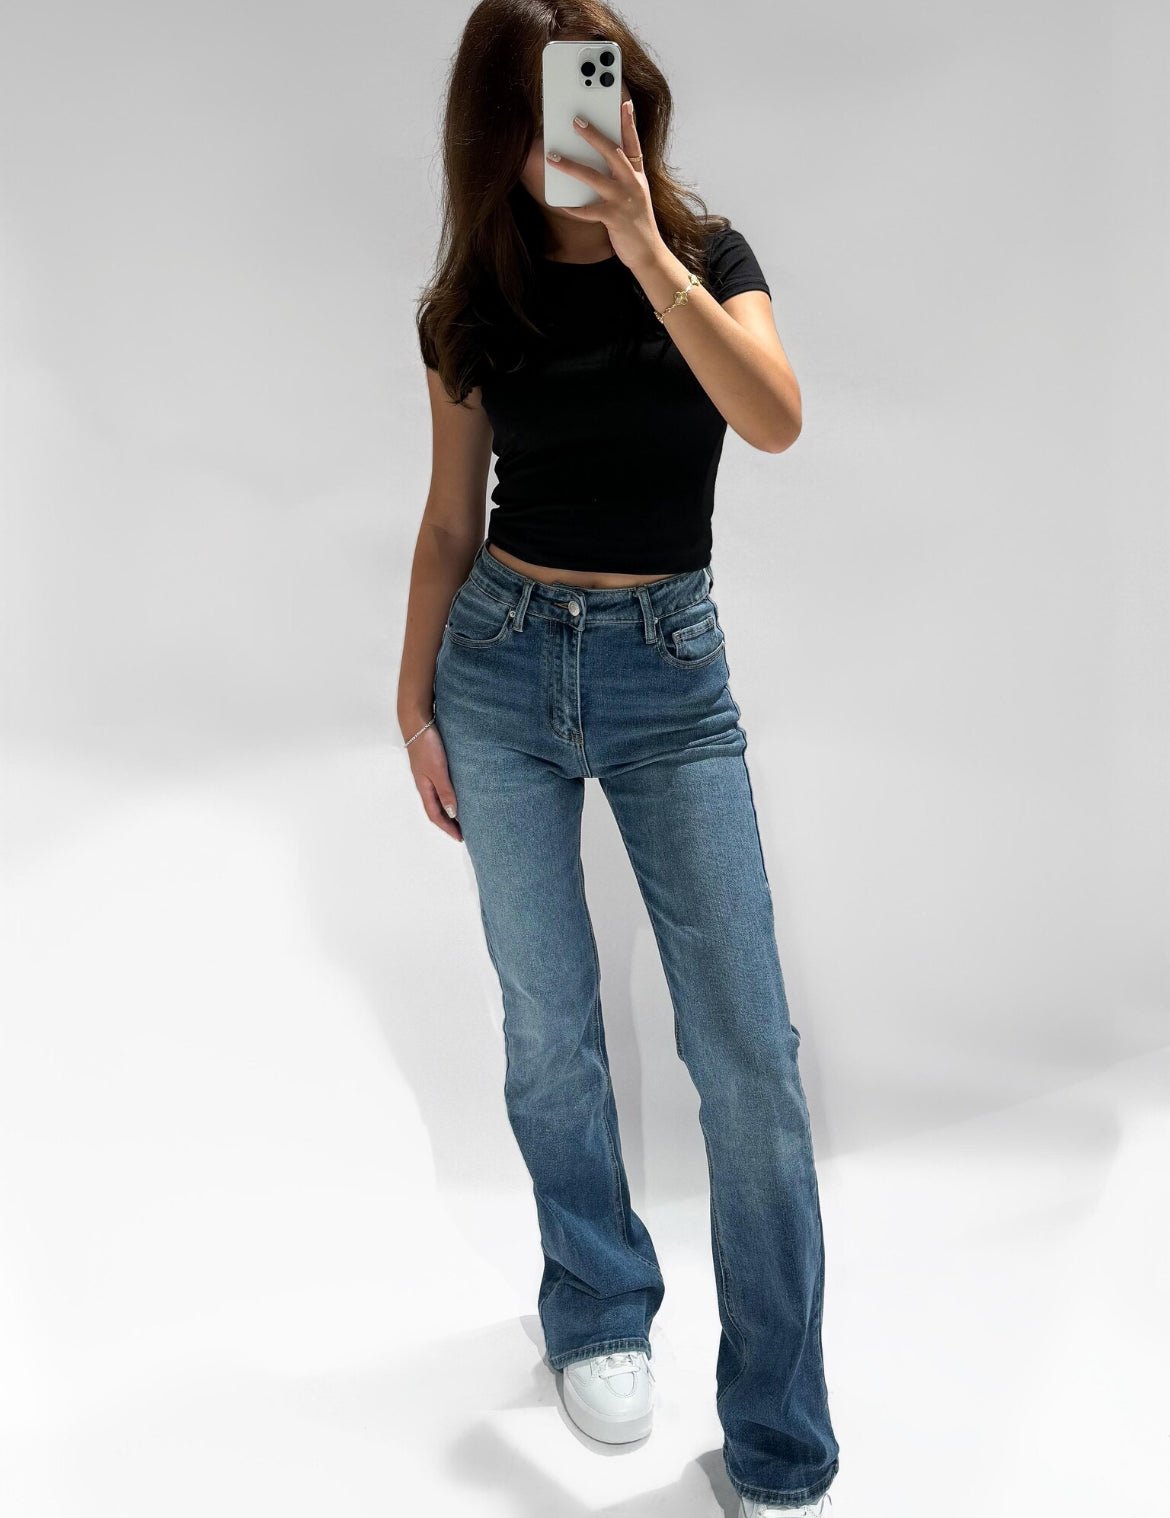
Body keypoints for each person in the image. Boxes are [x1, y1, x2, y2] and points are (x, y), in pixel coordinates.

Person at [399, 7, 839, 1514]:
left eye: (615, 98)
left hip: (670, 676)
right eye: (557, 114)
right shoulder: (471, 302)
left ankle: (777, 1432)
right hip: (501, 667)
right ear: (498, 137)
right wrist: (413, 703)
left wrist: (646, 248)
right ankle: (594, 1305)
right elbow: (449, 519)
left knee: (749, 1060)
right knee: (549, 1028)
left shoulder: (707, 258)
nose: (598, 130)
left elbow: (775, 419)